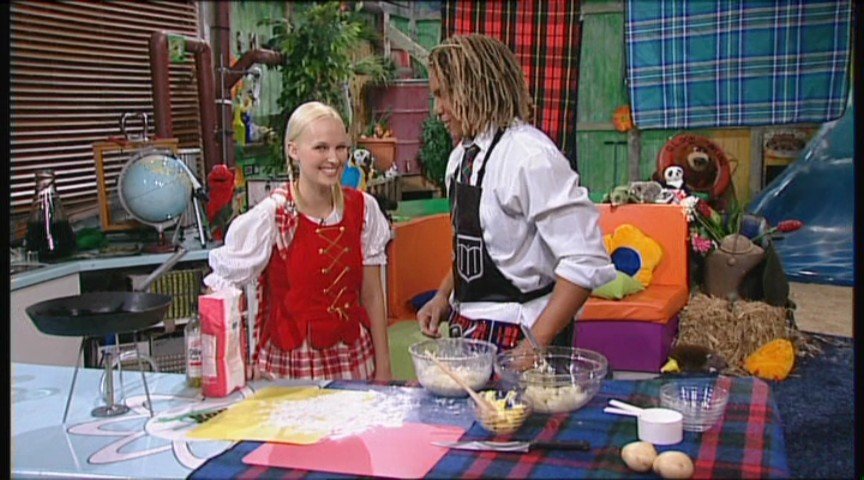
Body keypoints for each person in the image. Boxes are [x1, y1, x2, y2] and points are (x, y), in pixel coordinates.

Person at [416, 34, 617, 355]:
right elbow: (473, 247)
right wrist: (443, 297)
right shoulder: (459, 160)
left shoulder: (529, 156)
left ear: (474, 88)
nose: (438, 110)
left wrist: (533, 346)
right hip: (468, 330)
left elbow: (585, 259)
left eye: (443, 95)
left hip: (522, 333)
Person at [204, 101, 392, 381]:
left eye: (341, 147)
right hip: (291, 367)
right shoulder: (273, 215)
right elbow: (219, 288)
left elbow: (373, 295)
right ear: (294, 151)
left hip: (354, 360)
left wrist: (384, 368)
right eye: (321, 147)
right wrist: (236, 360)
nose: (334, 158)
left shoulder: (363, 209)